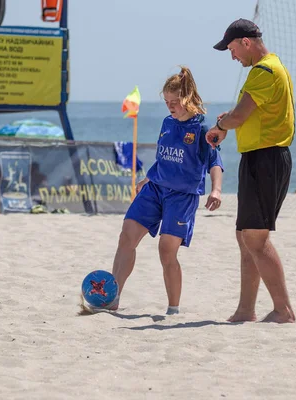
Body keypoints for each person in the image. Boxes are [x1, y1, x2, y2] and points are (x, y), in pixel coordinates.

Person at [83, 66, 224, 315]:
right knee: (126, 235)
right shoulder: (167, 122)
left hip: (182, 196)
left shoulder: (202, 129)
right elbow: (164, 157)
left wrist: (216, 190)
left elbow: (214, 161)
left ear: (188, 99)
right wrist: (147, 178)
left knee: (166, 250)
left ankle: (173, 309)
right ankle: (113, 299)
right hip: (155, 188)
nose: (170, 106)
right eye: (167, 101)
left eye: (175, 101)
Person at [206, 19, 296, 323]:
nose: (232, 57)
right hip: (259, 158)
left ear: (246, 42)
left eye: (232, 49)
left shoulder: (264, 71)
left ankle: (283, 310)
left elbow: (240, 114)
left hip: (267, 160)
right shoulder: (272, 66)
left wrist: (221, 125)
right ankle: (246, 310)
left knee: (255, 239)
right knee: (244, 237)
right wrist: (228, 122)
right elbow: (245, 116)